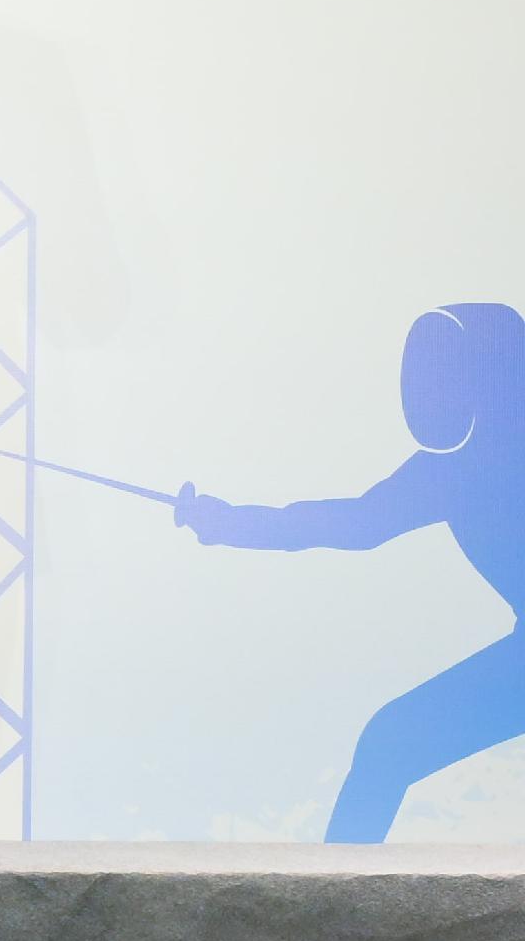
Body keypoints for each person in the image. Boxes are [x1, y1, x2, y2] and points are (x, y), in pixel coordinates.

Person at [175, 304, 525, 842]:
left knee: (389, 743)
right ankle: (337, 890)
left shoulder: (454, 470)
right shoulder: (448, 471)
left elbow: (354, 524)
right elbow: (354, 523)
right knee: (390, 743)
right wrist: (229, 522)